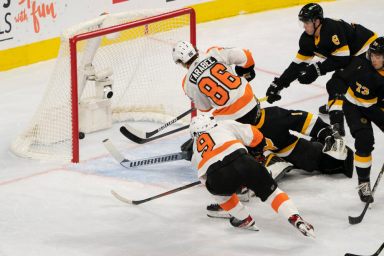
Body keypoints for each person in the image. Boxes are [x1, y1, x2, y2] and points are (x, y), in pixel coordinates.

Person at [189, 114, 315, 237]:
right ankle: (295, 217)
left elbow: (203, 178)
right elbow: (255, 135)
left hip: (217, 176)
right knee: (272, 193)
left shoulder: (195, 149)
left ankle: (243, 218)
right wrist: (258, 153)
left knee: (220, 195)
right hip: (243, 162)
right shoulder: (224, 125)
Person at [265, 3, 377, 136]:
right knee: (341, 82)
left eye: (307, 22)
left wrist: (316, 69)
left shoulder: (331, 29)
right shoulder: (307, 40)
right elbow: (297, 66)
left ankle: (337, 125)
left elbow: (342, 59)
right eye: (303, 22)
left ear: (317, 21)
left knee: (337, 83)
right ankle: (337, 106)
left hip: (368, 52)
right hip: (352, 55)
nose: (304, 26)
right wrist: (279, 84)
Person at [336, 37, 384, 203]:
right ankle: (364, 184)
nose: (374, 59)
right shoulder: (365, 70)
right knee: (364, 141)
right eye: (373, 55)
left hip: (374, 104)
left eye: (379, 56)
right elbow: (370, 107)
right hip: (355, 107)